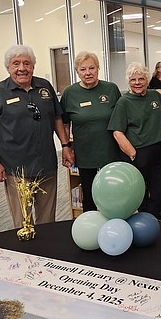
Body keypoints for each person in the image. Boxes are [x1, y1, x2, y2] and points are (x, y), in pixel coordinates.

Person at [0, 45, 73, 228]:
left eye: (26, 63)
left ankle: (46, 244)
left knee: (47, 219)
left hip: (45, 163)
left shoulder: (45, 87)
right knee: (23, 220)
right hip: (15, 166)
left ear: (33, 66)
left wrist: (65, 146)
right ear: (8, 67)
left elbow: (56, 118)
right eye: (16, 64)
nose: (22, 68)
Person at [60, 52, 122, 211]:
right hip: (85, 154)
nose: (88, 73)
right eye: (83, 69)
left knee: (114, 194)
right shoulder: (69, 93)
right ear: (77, 71)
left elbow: (122, 119)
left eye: (92, 68)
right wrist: (66, 147)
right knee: (89, 196)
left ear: (98, 69)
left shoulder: (111, 89)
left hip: (111, 152)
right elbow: (65, 124)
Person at [108, 63, 161, 218]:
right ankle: (143, 223)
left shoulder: (155, 96)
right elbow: (117, 132)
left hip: (156, 152)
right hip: (136, 154)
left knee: (160, 192)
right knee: (139, 195)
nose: (137, 83)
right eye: (133, 79)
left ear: (147, 80)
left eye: (141, 79)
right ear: (128, 81)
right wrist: (133, 154)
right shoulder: (123, 102)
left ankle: (148, 218)